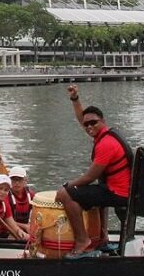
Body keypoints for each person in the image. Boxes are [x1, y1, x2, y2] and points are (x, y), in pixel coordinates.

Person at [55, 85, 132, 257]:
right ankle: (102, 239)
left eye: (93, 123)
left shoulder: (106, 144)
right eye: (86, 124)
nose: (89, 127)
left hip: (119, 193)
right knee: (97, 192)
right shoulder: (105, 134)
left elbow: (91, 176)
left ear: (103, 121)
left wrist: (67, 186)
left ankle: (83, 240)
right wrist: (75, 99)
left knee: (65, 195)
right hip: (119, 189)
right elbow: (82, 118)